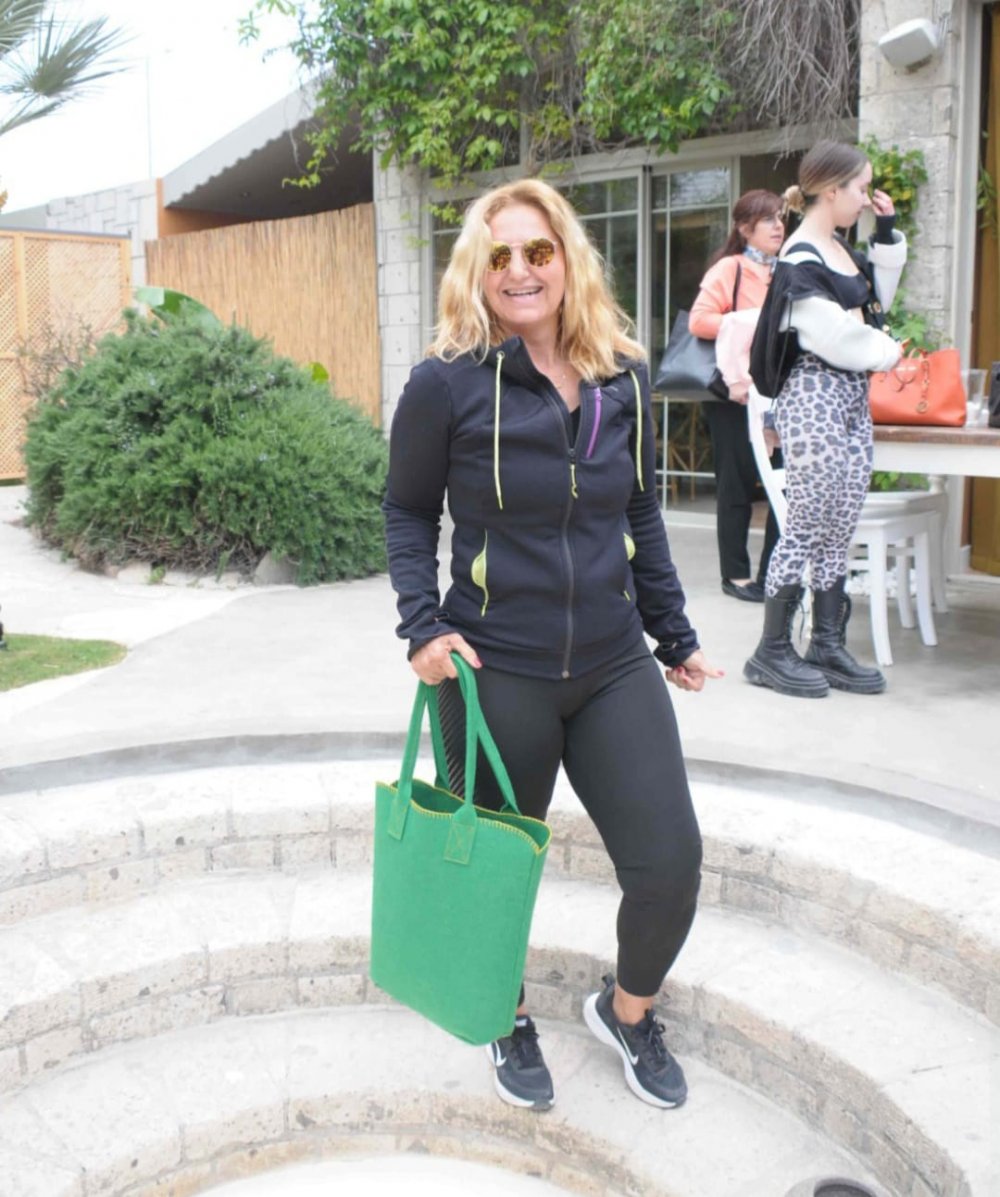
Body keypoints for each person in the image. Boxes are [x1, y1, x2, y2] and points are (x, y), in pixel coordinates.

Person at [383, 178, 721, 1112]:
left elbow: (639, 510)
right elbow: (407, 511)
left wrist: (673, 631)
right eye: (500, 256)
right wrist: (423, 628)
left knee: (669, 863)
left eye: (538, 251)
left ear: (568, 259)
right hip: (494, 670)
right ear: (476, 270)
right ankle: (505, 1011)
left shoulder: (621, 373)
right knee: (492, 878)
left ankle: (627, 1010)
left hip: (612, 662)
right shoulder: (446, 382)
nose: (521, 271)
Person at [745, 140, 907, 698]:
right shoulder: (800, 258)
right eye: (861, 188)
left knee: (840, 523)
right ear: (832, 190)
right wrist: (890, 352)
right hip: (814, 392)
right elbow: (836, 336)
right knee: (808, 522)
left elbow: (874, 304)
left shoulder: (837, 249)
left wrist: (887, 233)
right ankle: (770, 651)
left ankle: (826, 644)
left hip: (851, 397)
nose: (865, 198)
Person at [689, 190, 785, 602]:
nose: (779, 226)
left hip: (779, 394)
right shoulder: (730, 268)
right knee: (736, 485)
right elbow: (699, 321)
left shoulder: (789, 268)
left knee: (786, 485)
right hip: (733, 395)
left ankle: (774, 573)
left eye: (781, 217)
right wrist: (750, 321)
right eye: (768, 219)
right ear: (745, 228)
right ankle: (736, 575)